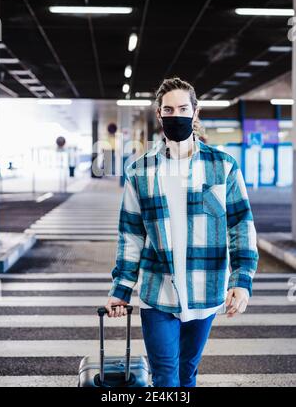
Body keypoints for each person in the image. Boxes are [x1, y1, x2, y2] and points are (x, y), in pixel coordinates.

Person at [105, 77, 259, 387]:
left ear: (195, 111)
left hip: (206, 290)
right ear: (159, 115)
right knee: (165, 377)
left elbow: (240, 225)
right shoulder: (140, 171)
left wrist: (241, 281)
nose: (177, 115)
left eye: (183, 108)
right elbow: (131, 236)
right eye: (169, 109)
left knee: (187, 373)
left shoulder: (223, 167)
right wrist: (121, 289)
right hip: (157, 293)